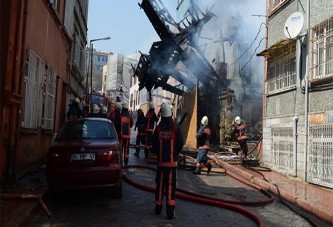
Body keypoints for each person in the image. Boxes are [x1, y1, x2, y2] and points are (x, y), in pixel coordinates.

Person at [151, 103, 184, 219]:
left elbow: (153, 144)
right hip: (172, 164)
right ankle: (170, 212)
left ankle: (158, 208)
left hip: (161, 164)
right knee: (170, 187)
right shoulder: (176, 127)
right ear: (170, 114)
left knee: (160, 185)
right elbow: (181, 143)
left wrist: (157, 153)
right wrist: (175, 154)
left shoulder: (158, 128)